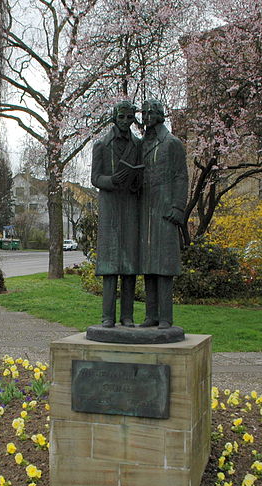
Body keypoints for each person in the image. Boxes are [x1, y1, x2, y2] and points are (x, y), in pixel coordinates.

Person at [90, 101, 143, 327]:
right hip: (111, 209)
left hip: (130, 207)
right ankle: (107, 316)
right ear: (114, 117)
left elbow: (142, 177)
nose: (125, 121)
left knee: (129, 265)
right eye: (121, 116)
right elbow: (95, 178)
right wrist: (111, 181)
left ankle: (127, 315)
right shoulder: (102, 145)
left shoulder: (138, 145)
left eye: (129, 117)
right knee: (110, 266)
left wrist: (134, 181)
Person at [138, 99, 188, 329]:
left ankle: (166, 317)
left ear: (160, 115)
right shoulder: (142, 145)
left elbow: (181, 176)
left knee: (165, 266)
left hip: (166, 210)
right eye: (144, 112)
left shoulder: (172, 143)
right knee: (148, 265)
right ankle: (151, 316)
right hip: (146, 210)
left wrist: (178, 207)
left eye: (151, 112)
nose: (146, 116)